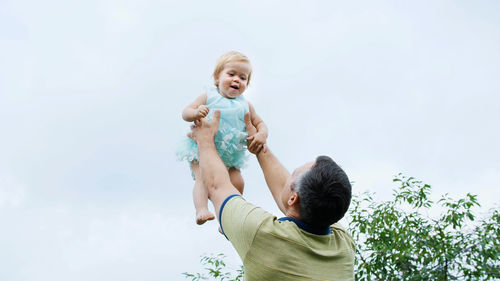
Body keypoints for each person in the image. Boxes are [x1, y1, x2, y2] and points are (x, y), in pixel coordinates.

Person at [188, 110, 355, 280]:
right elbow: (294, 198)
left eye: (292, 174)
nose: (286, 178)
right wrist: (260, 148)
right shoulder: (344, 245)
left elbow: (217, 186)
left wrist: (205, 140)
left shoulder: (261, 234)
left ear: (293, 198)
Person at [177, 51, 268, 225]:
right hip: (201, 148)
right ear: (217, 77)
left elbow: (260, 123)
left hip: (230, 154)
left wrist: (262, 134)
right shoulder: (209, 96)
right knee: (202, 180)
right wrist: (195, 112)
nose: (236, 80)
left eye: (243, 78)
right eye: (231, 74)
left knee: (237, 182)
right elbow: (185, 112)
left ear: (247, 84)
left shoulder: (245, 105)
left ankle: (226, 219)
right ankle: (201, 209)